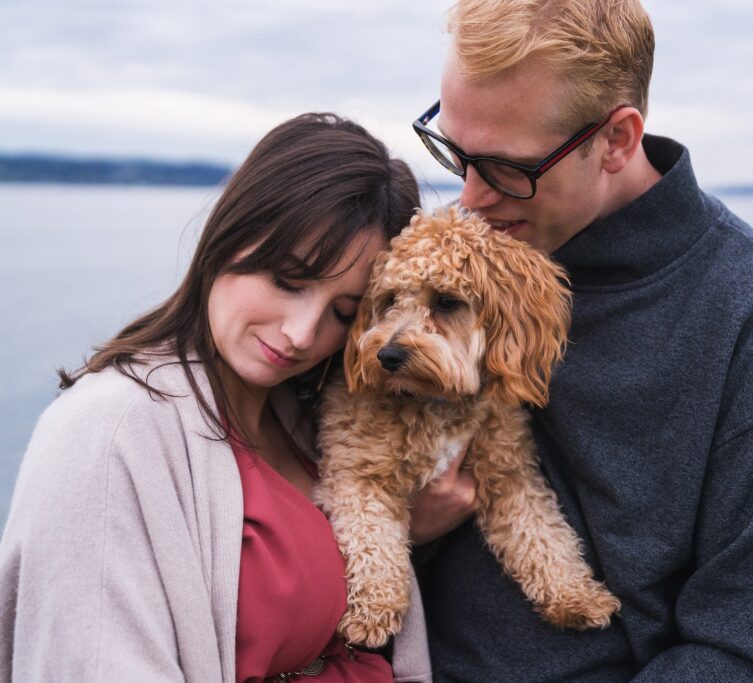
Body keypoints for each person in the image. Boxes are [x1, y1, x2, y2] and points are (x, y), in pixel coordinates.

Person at [408, 0, 753, 680]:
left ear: (617, 139)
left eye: (504, 168)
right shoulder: (442, 261)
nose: (467, 199)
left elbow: (742, 653)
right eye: (454, 153)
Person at [0, 113, 432, 682]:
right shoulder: (105, 433)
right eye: (287, 280)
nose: (302, 334)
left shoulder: (315, 418)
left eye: (343, 312)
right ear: (230, 233)